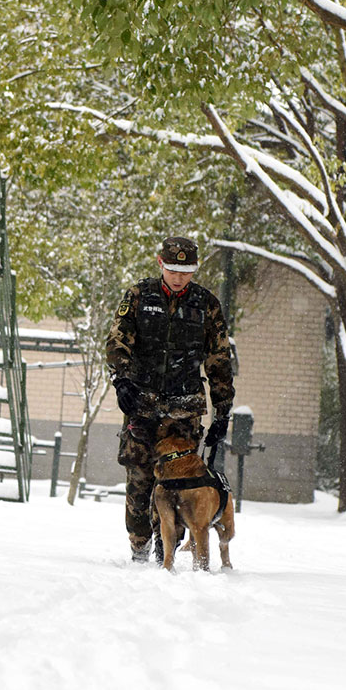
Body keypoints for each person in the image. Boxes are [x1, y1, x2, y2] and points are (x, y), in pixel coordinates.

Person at [106, 236, 235, 563]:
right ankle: (139, 547)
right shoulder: (139, 296)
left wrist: (223, 411)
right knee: (139, 481)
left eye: (186, 271)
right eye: (173, 270)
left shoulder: (206, 305)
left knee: (180, 485)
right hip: (142, 404)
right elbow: (118, 341)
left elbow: (219, 359)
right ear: (160, 264)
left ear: (195, 270)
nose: (179, 277)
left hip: (184, 411)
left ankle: (167, 550)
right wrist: (121, 380)